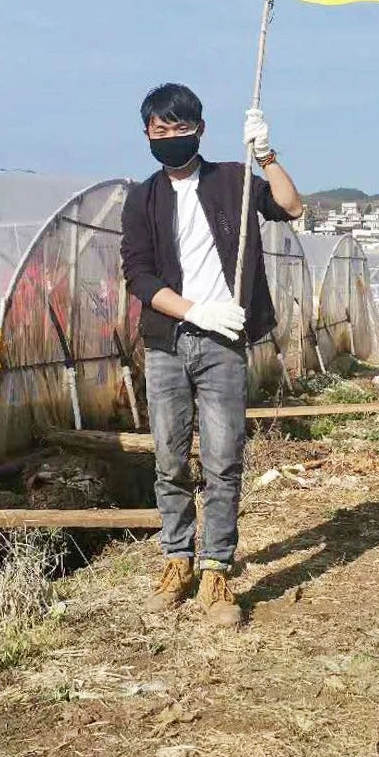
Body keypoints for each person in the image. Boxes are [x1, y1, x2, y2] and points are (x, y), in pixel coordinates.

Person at [120, 82, 303, 627]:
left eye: (180, 127)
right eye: (160, 129)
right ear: (147, 134)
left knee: (224, 460)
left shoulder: (233, 181)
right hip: (167, 342)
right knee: (170, 459)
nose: (170, 137)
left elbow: (291, 206)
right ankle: (177, 559)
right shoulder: (143, 198)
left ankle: (216, 569)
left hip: (223, 342)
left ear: (199, 129)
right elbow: (139, 275)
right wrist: (193, 310)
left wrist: (266, 155)